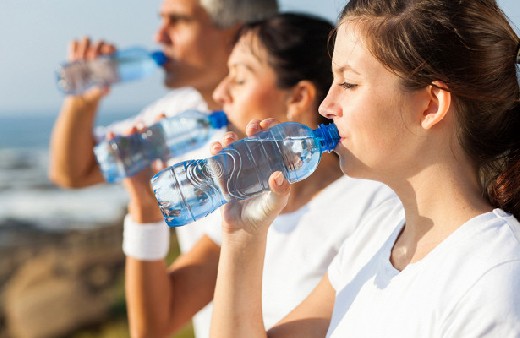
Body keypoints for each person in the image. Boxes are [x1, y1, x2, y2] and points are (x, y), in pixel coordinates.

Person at [209, 0, 520, 337]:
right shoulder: (379, 231)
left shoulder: (493, 278)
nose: (326, 106)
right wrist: (243, 236)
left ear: (431, 105)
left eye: (349, 84)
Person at [123, 12, 397, 338]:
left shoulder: (372, 207)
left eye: (239, 78)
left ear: (298, 98)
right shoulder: (248, 199)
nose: (221, 93)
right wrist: (144, 208)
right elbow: (154, 325)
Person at [48, 0, 278, 337]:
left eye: (179, 21)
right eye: (162, 20)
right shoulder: (183, 110)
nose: (159, 35)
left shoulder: (263, 147)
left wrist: (145, 207)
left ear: (238, 32)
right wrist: (83, 102)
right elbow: (72, 172)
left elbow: (156, 323)